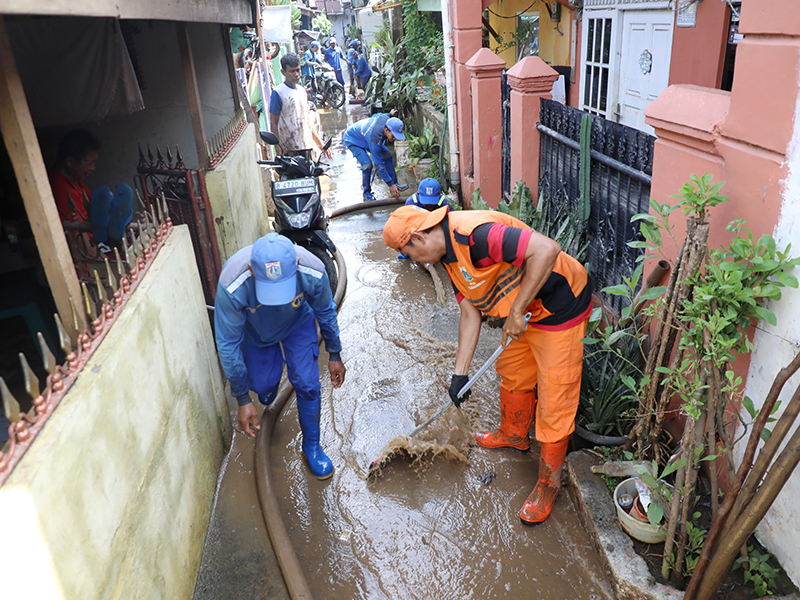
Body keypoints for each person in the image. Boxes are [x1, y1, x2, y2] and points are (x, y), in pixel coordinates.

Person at [382, 205, 592, 524]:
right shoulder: (448, 258)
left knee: (555, 400)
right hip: (521, 316)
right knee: (513, 372)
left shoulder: (477, 234)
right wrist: (459, 374)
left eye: (409, 253)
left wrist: (518, 310)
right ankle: (514, 434)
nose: (415, 262)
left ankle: (549, 485)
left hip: (559, 308)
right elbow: (470, 314)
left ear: (418, 237)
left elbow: (547, 249)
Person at [214, 232, 346, 479]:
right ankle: (268, 378)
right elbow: (228, 344)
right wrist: (243, 398)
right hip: (256, 333)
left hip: (297, 324)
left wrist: (335, 353)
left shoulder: (312, 271)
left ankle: (312, 447)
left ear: (296, 264)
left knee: (308, 384)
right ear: (252, 270)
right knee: (262, 388)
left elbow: (326, 311)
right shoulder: (233, 285)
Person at [49, 129, 133, 255]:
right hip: (85, 250)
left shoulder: (76, 183)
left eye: (94, 162)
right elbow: (79, 239)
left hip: (97, 240)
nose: (93, 168)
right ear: (70, 161)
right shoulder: (61, 188)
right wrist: (105, 262)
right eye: (89, 163)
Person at [269, 53, 328, 161]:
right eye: (292, 71)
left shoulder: (302, 91)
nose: (296, 74)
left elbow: (306, 122)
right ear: (283, 72)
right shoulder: (278, 92)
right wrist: (278, 149)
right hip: (288, 149)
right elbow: (274, 123)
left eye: (298, 70)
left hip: (306, 146)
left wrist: (320, 143)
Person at [342, 113, 409, 202]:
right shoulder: (375, 139)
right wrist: (389, 184)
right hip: (352, 139)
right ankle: (366, 193)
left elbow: (380, 115)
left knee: (387, 155)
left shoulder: (386, 118)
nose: (395, 138)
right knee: (367, 164)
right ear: (386, 130)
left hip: (364, 136)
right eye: (393, 136)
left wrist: (390, 113)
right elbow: (379, 166)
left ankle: (395, 183)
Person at [397, 178, 449, 260]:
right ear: (418, 194)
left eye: (432, 204)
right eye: (426, 203)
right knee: (404, 254)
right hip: (416, 228)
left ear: (439, 195)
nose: (429, 206)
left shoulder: (443, 203)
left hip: (434, 228)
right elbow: (405, 224)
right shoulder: (411, 202)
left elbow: (450, 223)